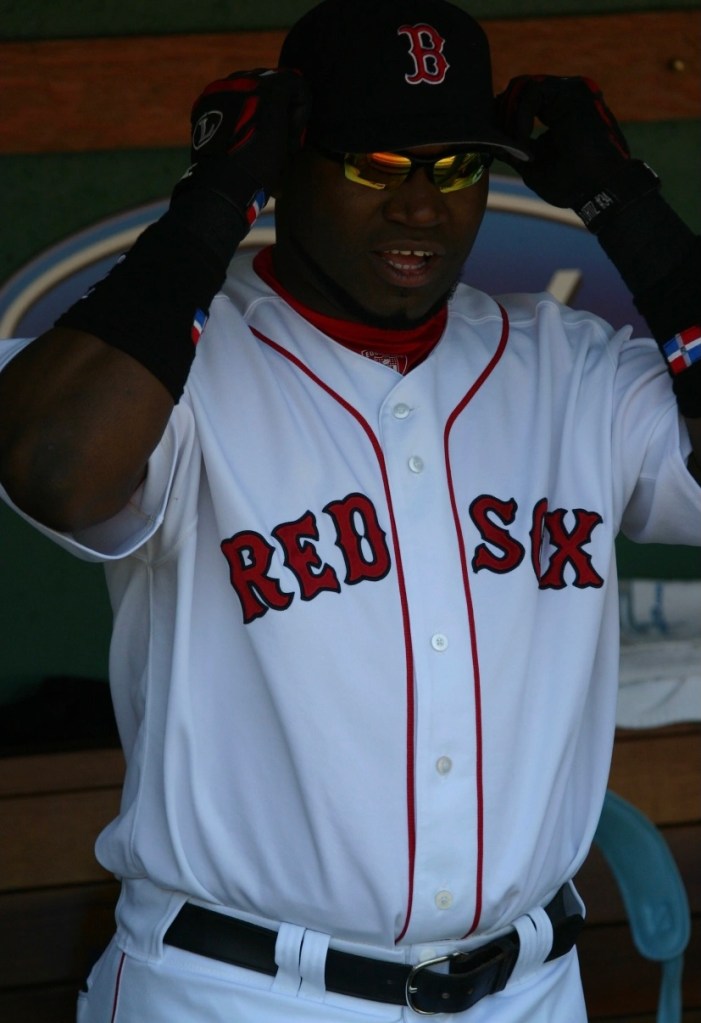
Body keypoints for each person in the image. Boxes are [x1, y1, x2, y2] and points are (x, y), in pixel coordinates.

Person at [0, 0, 699, 1019]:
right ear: (288, 165)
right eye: (374, 166)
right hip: (236, 992)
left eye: (454, 169)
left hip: (527, 990)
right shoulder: (171, 379)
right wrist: (212, 199)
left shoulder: (574, 369)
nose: (419, 205)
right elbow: (55, 467)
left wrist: (624, 203)